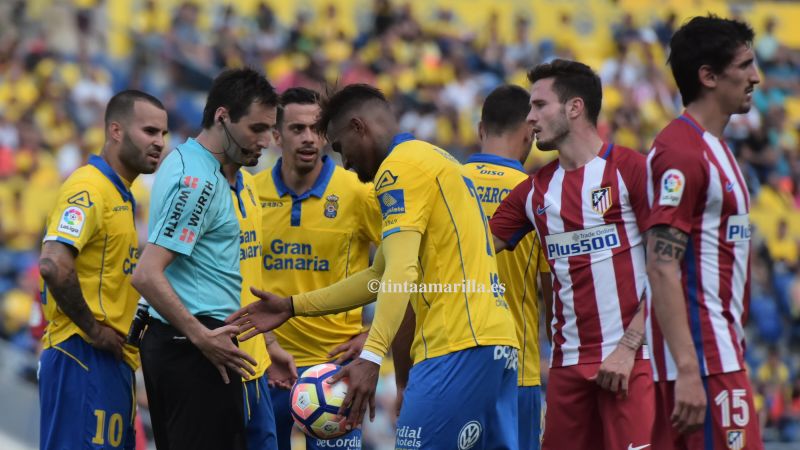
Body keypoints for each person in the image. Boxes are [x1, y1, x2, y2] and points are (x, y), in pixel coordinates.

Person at [229, 83, 520, 449]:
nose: (343, 161)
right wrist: (291, 307)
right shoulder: (433, 157)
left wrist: (371, 356)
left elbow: (400, 275)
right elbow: (378, 276)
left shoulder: (397, 169)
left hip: (455, 346)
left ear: (358, 127)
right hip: (495, 344)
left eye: (338, 147)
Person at [490, 59, 654, 450]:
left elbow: (676, 267)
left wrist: (629, 347)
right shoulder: (533, 192)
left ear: (574, 107)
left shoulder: (632, 171)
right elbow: (467, 251)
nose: (529, 118)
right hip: (567, 371)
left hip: (634, 359)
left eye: (539, 105)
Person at [131, 67, 276, 450]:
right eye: (257, 129)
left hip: (190, 344)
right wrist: (201, 337)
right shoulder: (198, 180)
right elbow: (146, 274)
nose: (265, 141)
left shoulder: (194, 164)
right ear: (223, 116)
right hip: (194, 348)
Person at [644, 15, 763, 450]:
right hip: (705, 361)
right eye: (746, 64)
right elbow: (660, 265)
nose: (756, 77)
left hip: (718, 352)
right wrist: (689, 370)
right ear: (708, 76)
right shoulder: (681, 151)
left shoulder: (716, 148)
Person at [38, 90, 168, 449]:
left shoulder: (123, 196)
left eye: (163, 134)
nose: (159, 143)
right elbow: (53, 263)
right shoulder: (89, 186)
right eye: (149, 131)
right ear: (115, 130)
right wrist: (94, 330)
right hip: (82, 354)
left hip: (110, 363)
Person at [253, 86, 380, 450]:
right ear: (277, 135)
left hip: (335, 371)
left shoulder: (357, 192)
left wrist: (373, 337)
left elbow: (403, 266)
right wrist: (267, 343)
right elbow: (235, 274)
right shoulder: (250, 191)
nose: (309, 138)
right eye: (297, 129)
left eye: (317, 129)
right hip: (268, 368)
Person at [464, 84, 552, 450]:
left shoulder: (443, 185)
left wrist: (405, 378)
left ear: (481, 129)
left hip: (447, 368)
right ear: (530, 133)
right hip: (516, 374)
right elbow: (555, 304)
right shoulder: (539, 196)